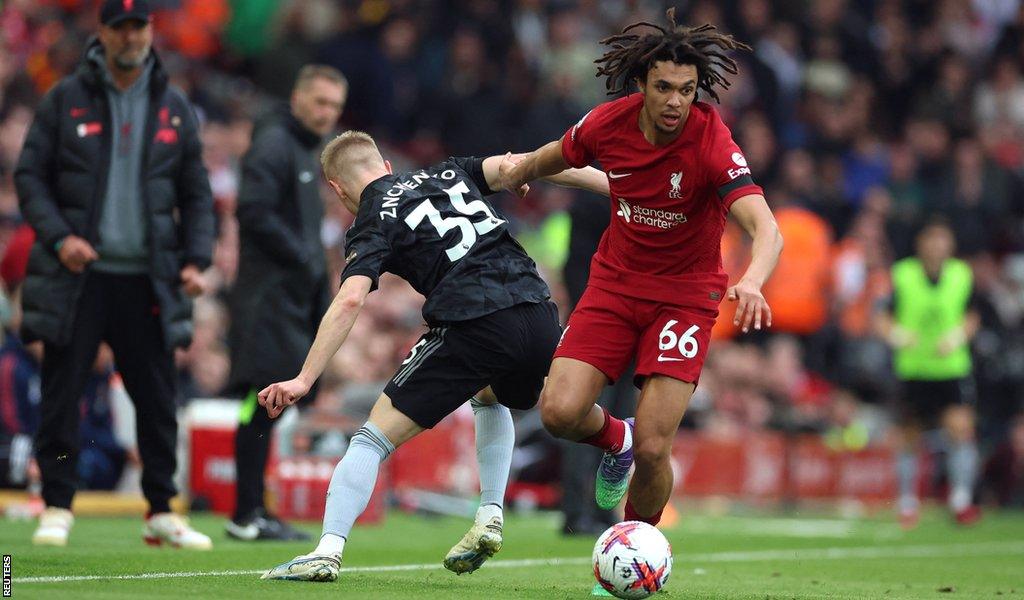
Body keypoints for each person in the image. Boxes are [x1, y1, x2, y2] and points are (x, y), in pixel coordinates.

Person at [258, 131, 605, 582]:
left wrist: (304, 379)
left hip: (476, 322)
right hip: (538, 314)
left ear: (338, 190)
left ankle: (326, 551)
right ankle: (492, 513)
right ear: (384, 163)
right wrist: (621, 188)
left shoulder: (371, 216)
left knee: (370, 440)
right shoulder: (447, 169)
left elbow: (349, 299)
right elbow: (539, 161)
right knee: (490, 394)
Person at [499, 9, 783, 527]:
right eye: (665, 87)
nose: (676, 101)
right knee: (560, 412)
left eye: (688, 89)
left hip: (685, 298)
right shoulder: (609, 123)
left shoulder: (712, 141)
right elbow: (559, 154)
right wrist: (520, 172)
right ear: (641, 85)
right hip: (614, 285)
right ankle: (616, 440)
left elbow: (767, 227)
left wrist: (753, 280)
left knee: (656, 446)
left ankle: (634, 544)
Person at [14, 0, 214, 548]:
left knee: (155, 398)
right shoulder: (64, 99)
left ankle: (160, 510)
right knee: (62, 394)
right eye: (121, 27)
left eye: (139, 26)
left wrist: (198, 260)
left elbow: (197, 194)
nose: (131, 37)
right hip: (77, 275)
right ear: (103, 31)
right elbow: (30, 177)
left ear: (150, 30)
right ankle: (56, 504)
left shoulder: (173, 106)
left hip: (147, 279)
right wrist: (59, 237)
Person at [225, 64, 347, 542]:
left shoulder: (299, 147)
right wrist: (303, 257)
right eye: (319, 102)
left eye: (334, 107)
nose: (326, 114)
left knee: (268, 405)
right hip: (267, 299)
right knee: (262, 403)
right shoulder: (275, 144)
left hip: (288, 298)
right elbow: (252, 210)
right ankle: (247, 512)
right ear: (297, 97)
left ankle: (252, 509)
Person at [875, 218, 982, 527]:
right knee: (909, 437)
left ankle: (960, 500)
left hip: (951, 367)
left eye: (942, 239)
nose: (937, 246)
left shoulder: (962, 275)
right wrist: (895, 335)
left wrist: (959, 336)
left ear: (951, 244)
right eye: (931, 239)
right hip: (913, 368)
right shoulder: (902, 274)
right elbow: (881, 316)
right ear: (920, 243)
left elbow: (972, 315)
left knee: (960, 429)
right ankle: (908, 502)